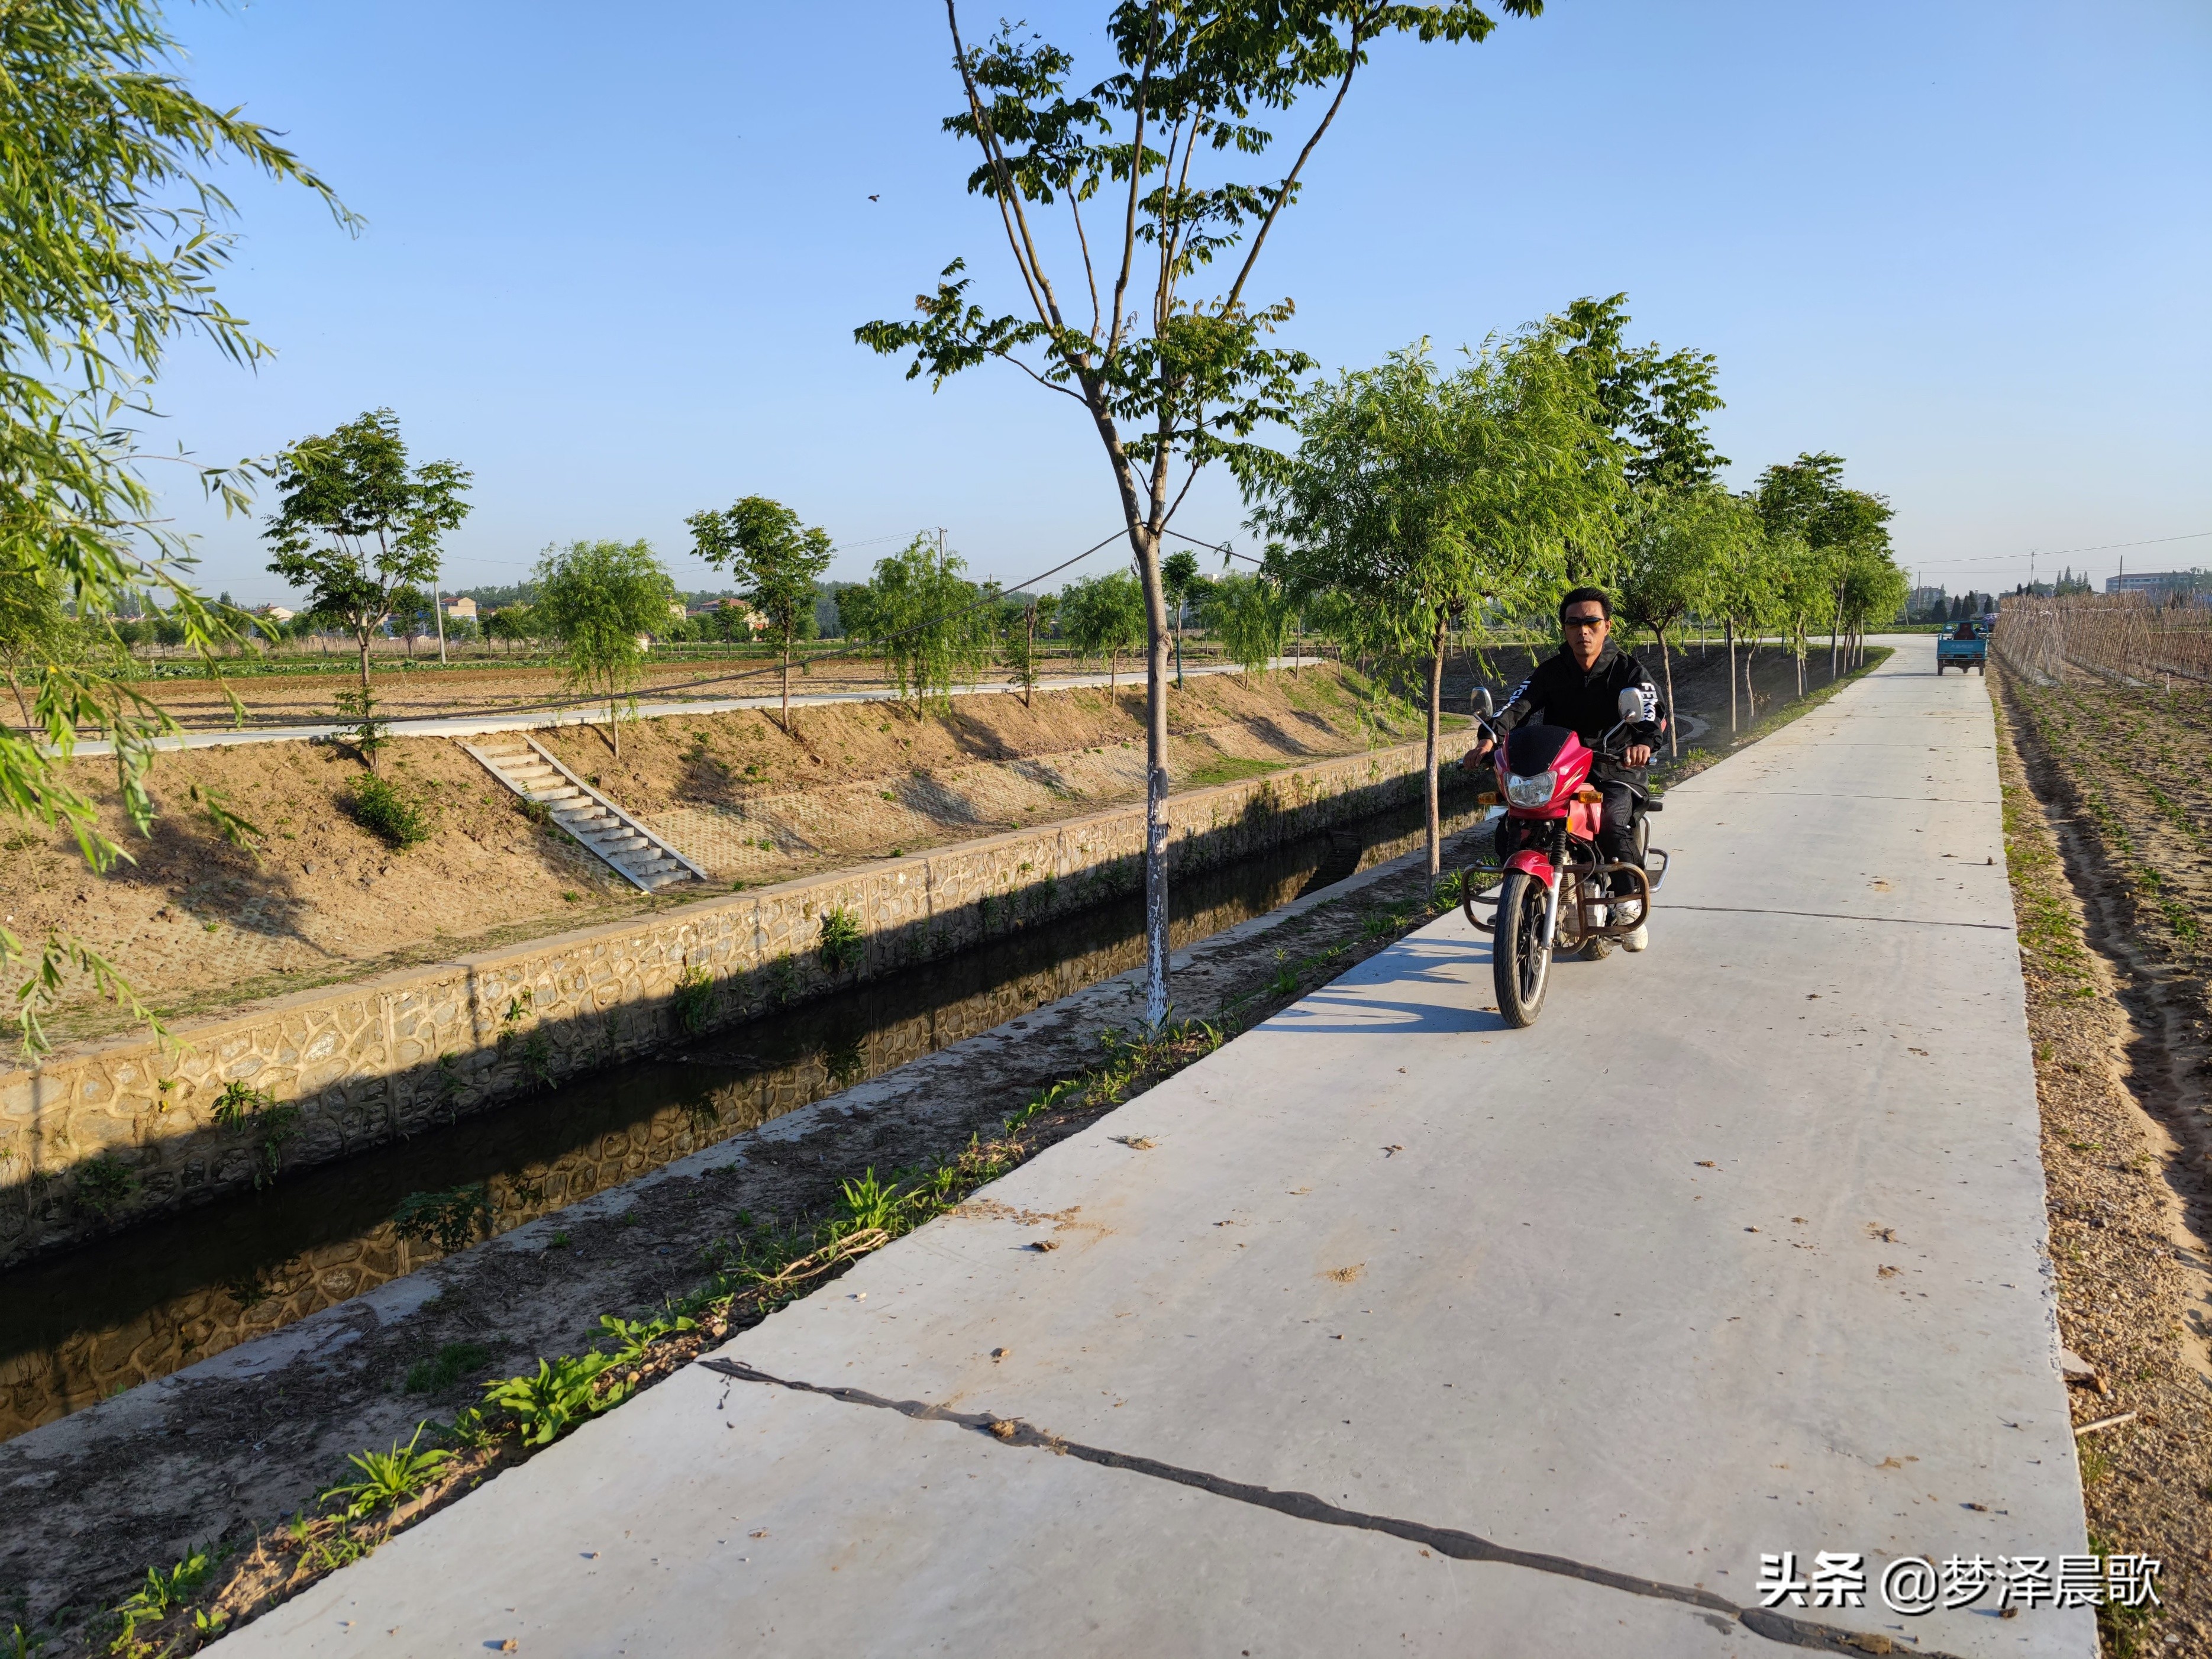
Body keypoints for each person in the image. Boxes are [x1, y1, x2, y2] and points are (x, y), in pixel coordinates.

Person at [1464, 586, 1665, 952]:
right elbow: (1517, 706)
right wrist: (1489, 739)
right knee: (1513, 825)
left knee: (1607, 820)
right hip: (1560, 768)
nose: (1582, 630)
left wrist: (1643, 744)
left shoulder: (1628, 671)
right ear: (1565, 629)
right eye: (1574, 623)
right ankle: (1519, 900)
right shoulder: (1551, 672)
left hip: (1614, 767)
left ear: (1607, 626)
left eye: (1591, 622)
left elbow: (1651, 711)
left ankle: (1626, 901)